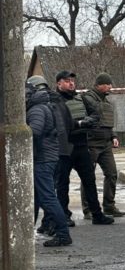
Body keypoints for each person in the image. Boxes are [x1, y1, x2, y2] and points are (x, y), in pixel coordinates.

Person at [51, 70, 115, 226]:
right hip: (64, 148)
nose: (71, 83)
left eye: (73, 80)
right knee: (62, 184)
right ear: (59, 83)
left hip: (82, 145)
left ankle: (97, 215)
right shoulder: (54, 100)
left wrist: (89, 120)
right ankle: (64, 216)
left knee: (90, 181)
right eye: (67, 81)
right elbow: (59, 123)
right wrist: (79, 123)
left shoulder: (81, 98)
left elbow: (95, 113)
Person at [25, 77, 73, 247]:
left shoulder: (37, 109)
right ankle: (25, 232)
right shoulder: (45, 106)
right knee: (38, 198)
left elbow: (34, 132)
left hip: (43, 159)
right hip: (48, 158)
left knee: (48, 198)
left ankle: (63, 233)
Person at [80, 73, 125, 218]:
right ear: (98, 85)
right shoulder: (87, 98)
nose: (110, 87)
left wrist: (113, 136)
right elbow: (96, 111)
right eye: (107, 84)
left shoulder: (105, 100)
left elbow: (106, 121)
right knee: (88, 176)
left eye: (110, 84)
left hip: (105, 143)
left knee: (112, 174)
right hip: (91, 142)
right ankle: (88, 209)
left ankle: (109, 206)